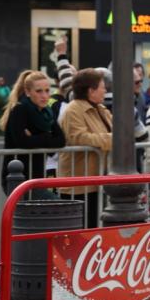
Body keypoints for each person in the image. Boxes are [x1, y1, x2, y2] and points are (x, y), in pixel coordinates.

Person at [57, 68, 112, 228]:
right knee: (80, 230)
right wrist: (111, 140)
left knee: (95, 227)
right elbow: (78, 138)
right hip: (78, 183)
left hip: (97, 180)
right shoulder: (73, 110)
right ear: (91, 90)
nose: (105, 90)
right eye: (102, 87)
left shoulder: (100, 108)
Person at [0, 71, 66, 198]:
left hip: (37, 178)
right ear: (28, 92)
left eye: (47, 90)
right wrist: (46, 137)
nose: (45, 95)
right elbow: (22, 142)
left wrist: (35, 139)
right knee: (55, 206)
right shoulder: (19, 109)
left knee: (36, 215)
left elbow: (61, 140)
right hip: (16, 178)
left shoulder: (47, 112)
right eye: (39, 91)